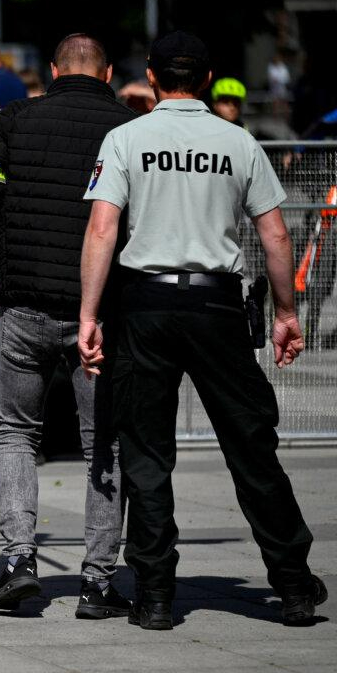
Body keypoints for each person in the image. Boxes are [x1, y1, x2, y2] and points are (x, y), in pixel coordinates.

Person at [79, 31, 327, 630]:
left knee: (146, 453)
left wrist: (89, 315)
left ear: (152, 75)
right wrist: (287, 314)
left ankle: (157, 595)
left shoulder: (125, 139)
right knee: (251, 446)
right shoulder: (238, 142)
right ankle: (293, 586)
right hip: (217, 307)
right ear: (209, 79)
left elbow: (102, 231)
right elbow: (274, 235)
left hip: (144, 306)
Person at [0, 33, 136, 617]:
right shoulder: (127, 126)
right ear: (109, 71)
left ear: (50, 70)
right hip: (99, 310)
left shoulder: (15, 119)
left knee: (16, 432)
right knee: (103, 443)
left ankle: (18, 560)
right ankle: (96, 581)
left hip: (25, 305)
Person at [0, 226, 82, 468]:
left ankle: (23, 442)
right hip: (43, 358)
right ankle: (34, 438)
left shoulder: (4, 275)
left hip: (57, 360)